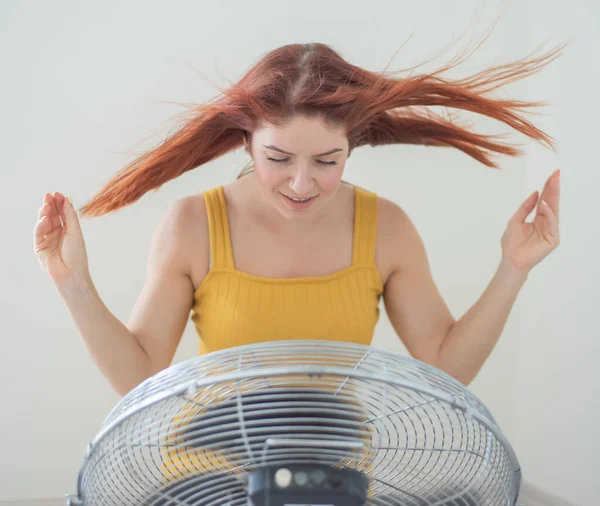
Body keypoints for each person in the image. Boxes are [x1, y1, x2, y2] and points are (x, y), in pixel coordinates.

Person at [33, 42, 561, 397]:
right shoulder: (191, 225)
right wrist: (72, 281)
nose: (302, 184)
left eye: (327, 162)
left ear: (351, 147)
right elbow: (143, 376)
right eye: (279, 159)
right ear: (245, 143)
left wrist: (513, 268)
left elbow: (446, 367)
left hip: (339, 475)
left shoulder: (387, 228)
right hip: (211, 473)